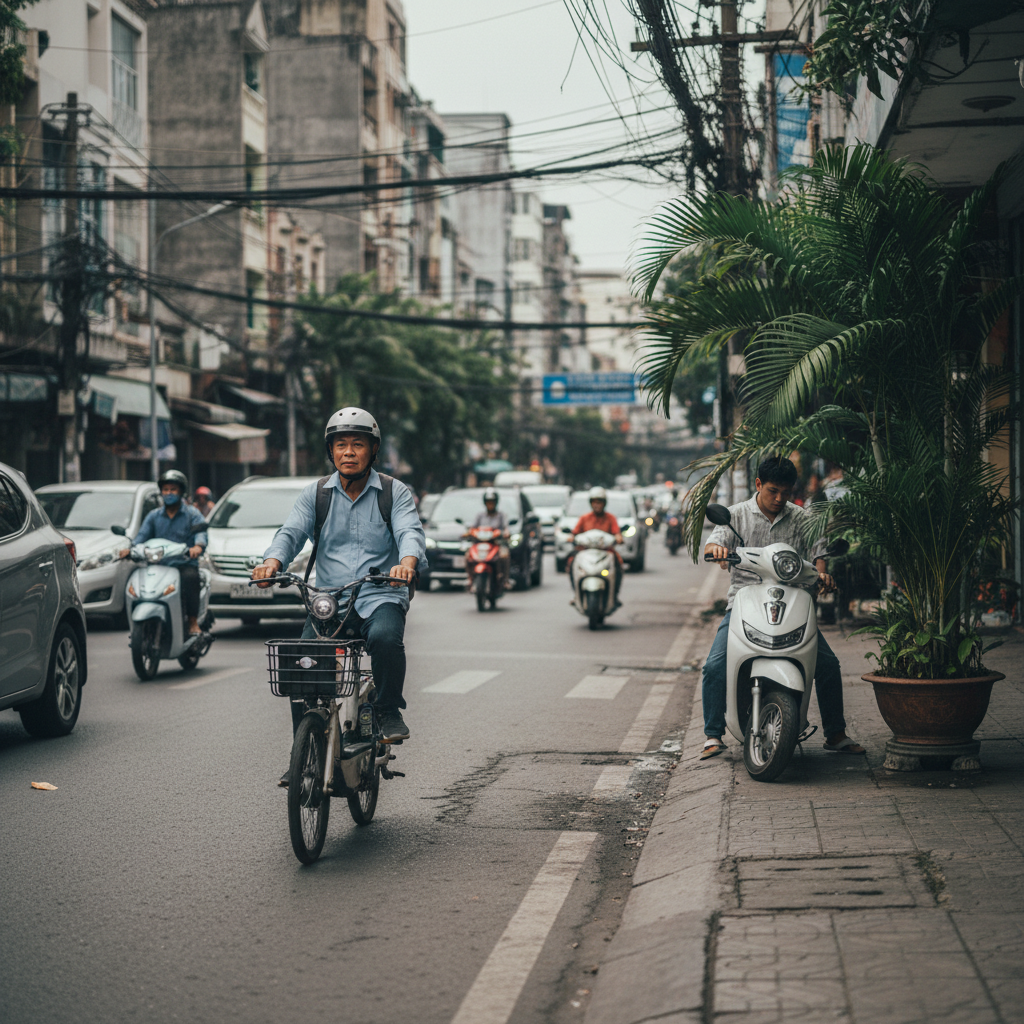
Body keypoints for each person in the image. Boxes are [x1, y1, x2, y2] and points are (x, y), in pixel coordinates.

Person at [250, 407, 426, 786]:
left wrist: (406, 563)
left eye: (357, 444)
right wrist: (271, 562)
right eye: (341, 444)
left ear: (373, 450)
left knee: (385, 638)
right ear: (330, 451)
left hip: (380, 595)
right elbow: (290, 532)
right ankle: (304, 753)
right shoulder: (316, 494)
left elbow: (409, 532)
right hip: (330, 602)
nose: (348, 452)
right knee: (300, 666)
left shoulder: (394, 492)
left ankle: (388, 709)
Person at [699, 455, 865, 760]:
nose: (779, 499)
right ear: (758, 484)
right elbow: (713, 543)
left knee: (828, 666)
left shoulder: (802, 518)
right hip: (744, 603)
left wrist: (822, 574)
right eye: (773, 491)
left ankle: (835, 733)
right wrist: (717, 550)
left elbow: (818, 555)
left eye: (785, 493)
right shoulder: (736, 515)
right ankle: (712, 734)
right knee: (714, 666)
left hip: (792, 605)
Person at [125, 470, 207, 635]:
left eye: (173, 490)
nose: (169, 493)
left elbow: (201, 534)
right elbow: (141, 537)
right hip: (159, 564)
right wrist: (130, 549)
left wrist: (197, 547)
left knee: (191, 578)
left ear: (181, 492)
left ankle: (192, 621)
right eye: (166, 490)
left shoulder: (192, 514)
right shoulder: (153, 516)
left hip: (183, 564)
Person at [569, 486, 624, 603]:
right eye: (594, 502)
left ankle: (614, 595)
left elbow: (617, 533)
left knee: (618, 563)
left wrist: (618, 538)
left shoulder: (610, 518)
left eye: (599, 502)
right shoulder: (584, 518)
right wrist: (571, 538)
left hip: (606, 552)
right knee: (571, 562)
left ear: (604, 503)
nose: (597, 505)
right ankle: (576, 594)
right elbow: (575, 533)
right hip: (586, 552)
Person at [465, 488, 510, 586]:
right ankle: (470, 578)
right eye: (488, 502)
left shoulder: (501, 515)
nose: (490, 504)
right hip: (480, 543)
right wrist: (468, 533)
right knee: (468, 555)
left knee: (504, 555)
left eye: (492, 502)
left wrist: (506, 533)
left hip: (496, 543)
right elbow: (473, 528)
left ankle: (505, 579)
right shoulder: (480, 515)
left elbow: (506, 528)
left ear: (496, 503)